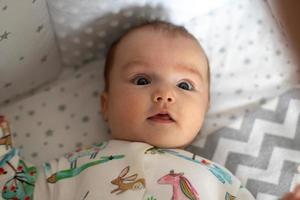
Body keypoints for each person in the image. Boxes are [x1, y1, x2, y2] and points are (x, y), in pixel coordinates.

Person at [0, 20, 299, 200]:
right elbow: (15, 191)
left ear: (205, 110)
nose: (164, 95)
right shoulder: (72, 168)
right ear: (106, 105)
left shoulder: (220, 180)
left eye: (184, 85)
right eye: (142, 80)